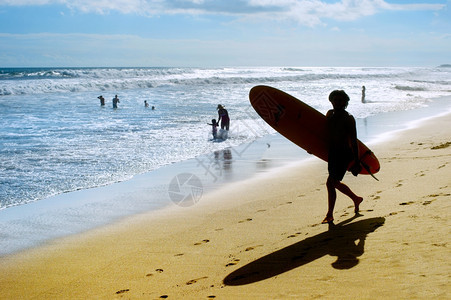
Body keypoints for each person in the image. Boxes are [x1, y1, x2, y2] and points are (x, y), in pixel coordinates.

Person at [323, 90, 363, 224]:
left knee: (332, 182)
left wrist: (357, 162)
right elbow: (323, 133)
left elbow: (353, 140)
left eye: (340, 100)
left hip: (343, 153)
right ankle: (355, 199)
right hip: (332, 153)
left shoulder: (348, 118)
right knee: (330, 183)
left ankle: (330, 213)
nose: (337, 102)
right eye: (335, 99)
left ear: (345, 102)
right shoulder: (330, 114)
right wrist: (311, 147)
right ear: (331, 100)